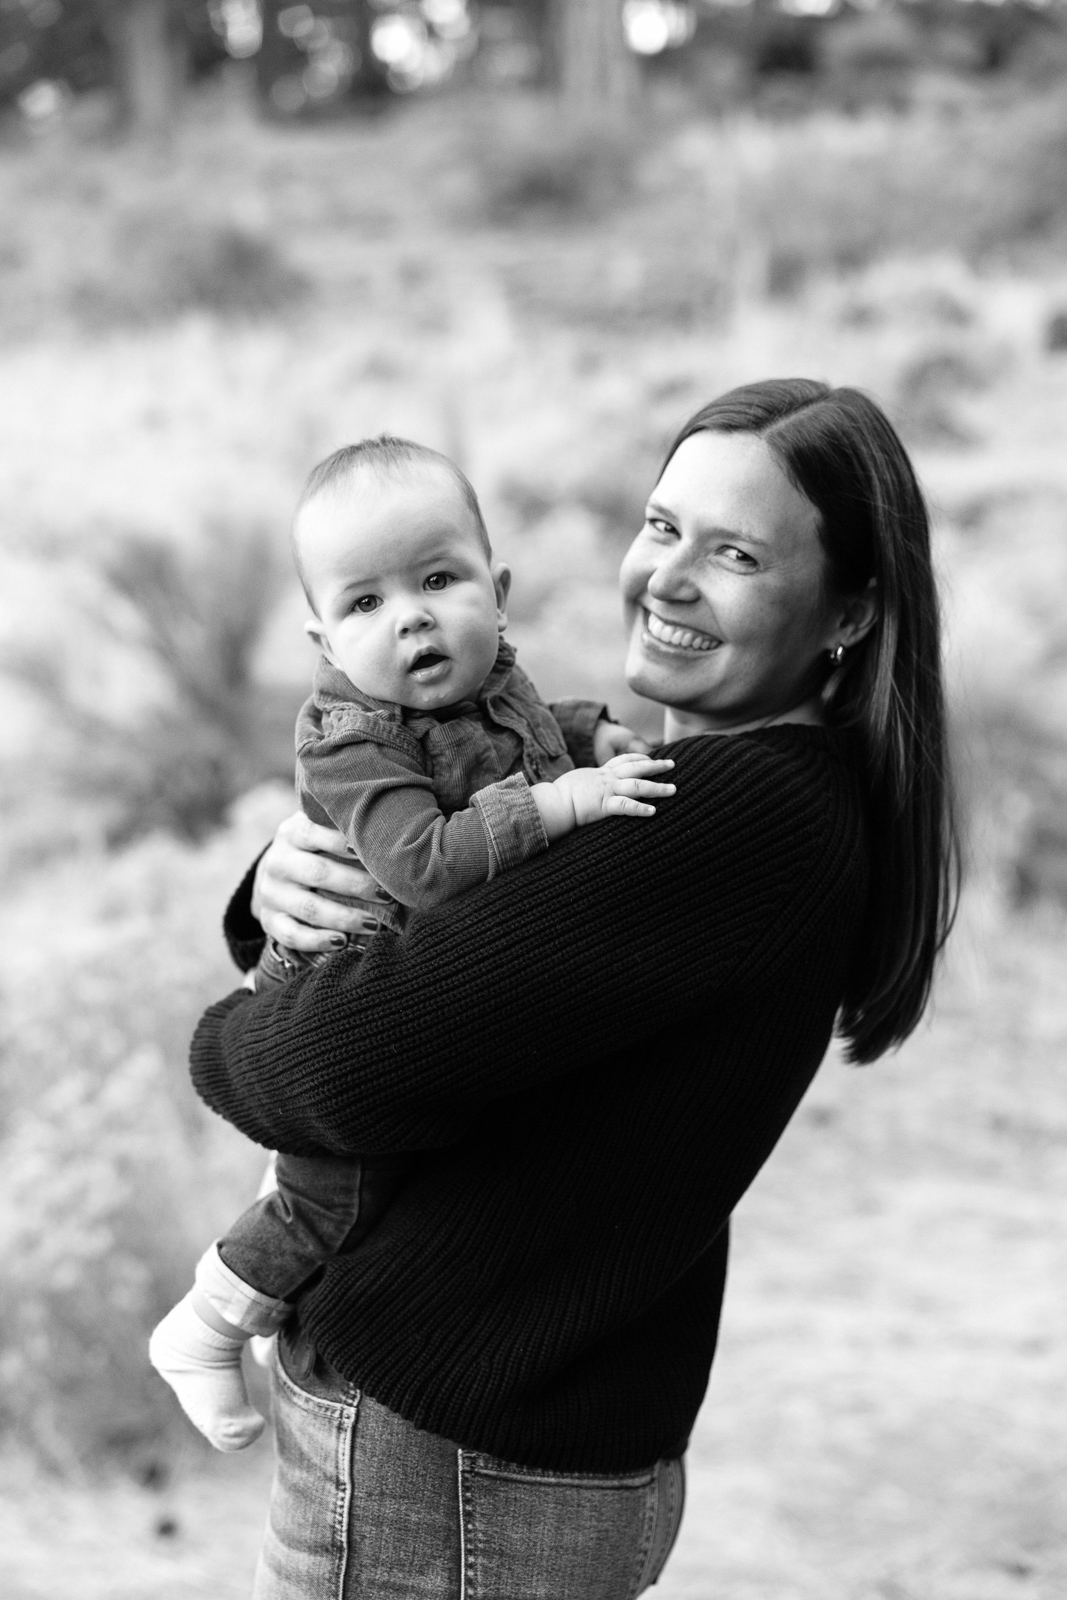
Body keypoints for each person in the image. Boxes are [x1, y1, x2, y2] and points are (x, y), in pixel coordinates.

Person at [190, 380, 960, 1600]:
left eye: (736, 554)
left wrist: (225, 1035)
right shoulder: (737, 796)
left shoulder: (733, 816)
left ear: (848, 611)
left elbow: (336, 1066)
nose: (668, 578)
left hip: (450, 1462)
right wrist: (279, 893)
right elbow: (473, 958)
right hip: (519, 1447)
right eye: (661, 527)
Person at [150, 435, 673, 1452]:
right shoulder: (349, 740)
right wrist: (564, 801)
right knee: (333, 1198)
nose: (411, 617)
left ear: (497, 593)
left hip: (406, 992)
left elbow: (513, 736)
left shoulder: (484, 679)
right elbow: (424, 864)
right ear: (323, 638)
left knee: (322, 1180)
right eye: (365, 602)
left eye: (438, 580)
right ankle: (205, 1324)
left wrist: (587, 734)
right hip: (337, 990)